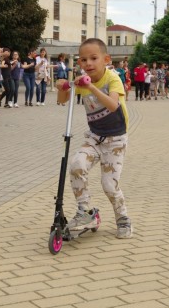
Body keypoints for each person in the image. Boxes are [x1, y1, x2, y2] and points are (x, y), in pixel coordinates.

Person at [56, 38, 132, 239]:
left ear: (106, 59)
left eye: (93, 58)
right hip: (94, 138)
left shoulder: (112, 79)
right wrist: (62, 87)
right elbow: (62, 101)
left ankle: (123, 218)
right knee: (77, 165)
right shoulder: (81, 81)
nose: (88, 63)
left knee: (109, 185)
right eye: (83, 60)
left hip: (115, 140)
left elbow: (113, 105)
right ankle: (84, 212)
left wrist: (91, 88)